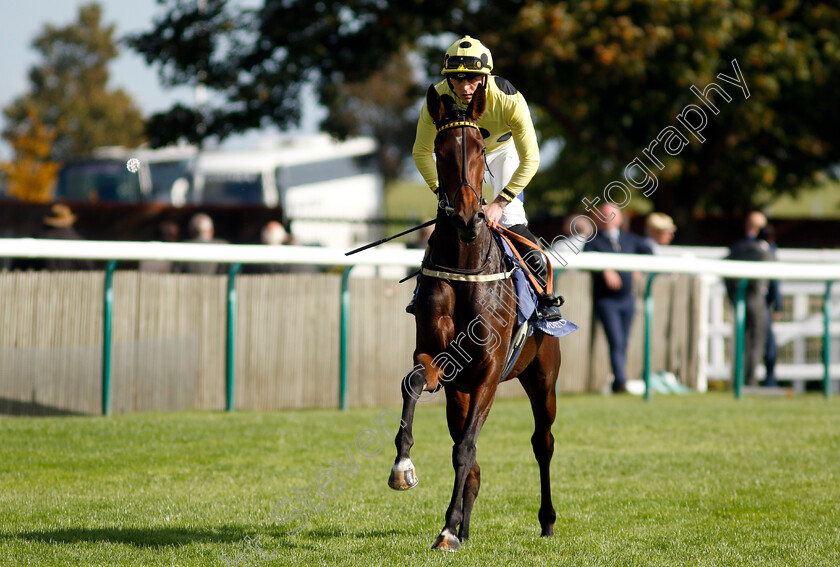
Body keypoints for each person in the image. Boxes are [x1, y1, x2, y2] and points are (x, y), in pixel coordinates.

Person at [409, 35, 564, 321]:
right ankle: (423, 289)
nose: (465, 87)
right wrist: (439, 192)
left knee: (511, 220)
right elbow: (421, 152)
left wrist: (500, 203)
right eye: (458, 80)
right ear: (448, 80)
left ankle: (545, 295)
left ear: (485, 77)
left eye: (473, 79)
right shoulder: (436, 98)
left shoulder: (509, 99)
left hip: (504, 154)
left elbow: (531, 159)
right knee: (449, 215)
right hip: (464, 154)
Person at [583, 203, 653, 393]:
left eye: (613, 215)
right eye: (605, 215)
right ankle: (620, 381)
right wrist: (605, 269)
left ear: (621, 218)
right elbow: (586, 258)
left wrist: (638, 267)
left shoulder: (630, 239)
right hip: (607, 300)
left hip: (627, 299)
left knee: (624, 340)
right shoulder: (594, 241)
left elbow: (650, 252)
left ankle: (620, 378)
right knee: (616, 340)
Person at [724, 211, 775, 387]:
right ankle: (749, 380)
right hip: (757, 299)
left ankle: (738, 380)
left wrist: (731, 294)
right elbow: (773, 279)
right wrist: (775, 303)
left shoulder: (737, 247)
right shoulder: (764, 249)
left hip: (740, 298)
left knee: (741, 340)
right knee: (756, 340)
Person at [20, 203, 95, 271]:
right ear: (69, 223)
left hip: (41, 285)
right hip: (72, 285)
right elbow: (89, 271)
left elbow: (19, 268)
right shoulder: (79, 243)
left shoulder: (36, 239)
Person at [758, 223, 782, 387]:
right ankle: (770, 379)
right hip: (762, 303)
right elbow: (775, 282)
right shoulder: (770, 252)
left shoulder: (750, 246)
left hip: (747, 300)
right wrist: (778, 306)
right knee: (769, 344)